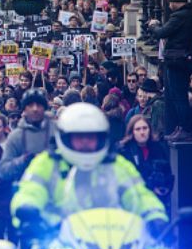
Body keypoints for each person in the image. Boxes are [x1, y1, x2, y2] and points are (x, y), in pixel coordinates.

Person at [11, 102, 168, 238]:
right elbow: (30, 191)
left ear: (101, 138)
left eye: (91, 137)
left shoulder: (115, 164)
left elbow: (139, 194)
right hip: (56, 238)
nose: (85, 142)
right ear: (65, 138)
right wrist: (28, 211)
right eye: (79, 137)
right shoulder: (48, 162)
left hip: (111, 241)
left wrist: (156, 217)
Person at [148, 0, 192, 142]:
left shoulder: (178, 17)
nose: (169, 6)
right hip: (186, 59)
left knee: (177, 97)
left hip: (175, 61)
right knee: (178, 95)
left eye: (170, 2)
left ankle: (185, 129)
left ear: (175, 1)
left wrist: (153, 25)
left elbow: (161, 33)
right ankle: (180, 128)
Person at [0, 89, 56, 182]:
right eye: (30, 105)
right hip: (26, 189)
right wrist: (23, 160)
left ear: (45, 108)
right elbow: (3, 171)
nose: (35, 109)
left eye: (39, 105)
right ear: (24, 109)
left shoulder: (57, 131)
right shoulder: (16, 136)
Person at [119, 115, 174, 208]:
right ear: (132, 132)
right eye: (138, 129)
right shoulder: (124, 150)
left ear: (149, 130)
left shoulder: (158, 148)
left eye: (145, 128)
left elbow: (167, 174)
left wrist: (162, 188)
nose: (142, 132)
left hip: (156, 202)